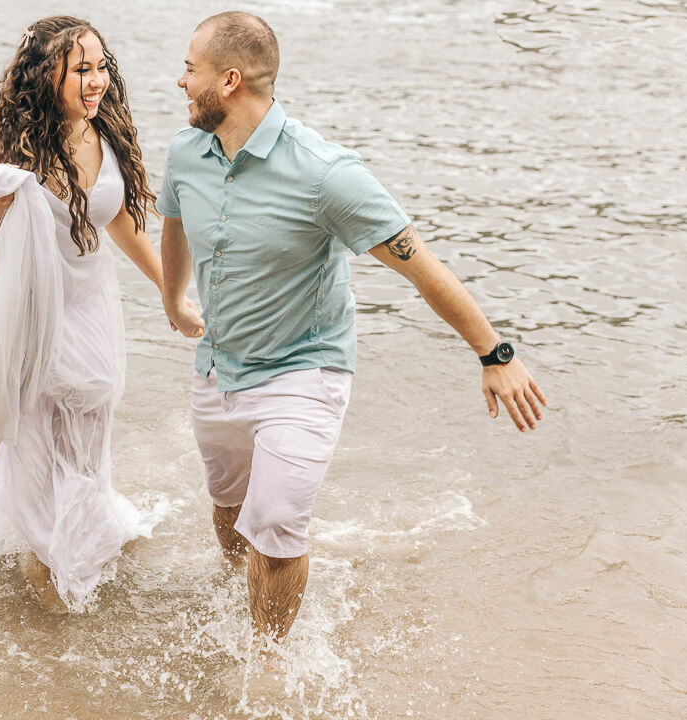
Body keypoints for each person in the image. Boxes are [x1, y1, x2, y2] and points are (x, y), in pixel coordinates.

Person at [159, 12, 548, 646]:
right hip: (219, 365)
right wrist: (174, 299)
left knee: (278, 522)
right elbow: (174, 220)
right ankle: (237, 610)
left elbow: (421, 267)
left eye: (189, 69)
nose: (180, 81)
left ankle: (270, 664)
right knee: (231, 511)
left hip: (304, 368)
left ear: (228, 81)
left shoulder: (326, 175)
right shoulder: (186, 151)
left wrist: (494, 352)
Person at [0, 15, 193, 607]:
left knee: (87, 431)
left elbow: (123, 223)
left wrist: (174, 298)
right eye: (81, 69)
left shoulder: (103, 128)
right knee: (30, 439)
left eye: (101, 66)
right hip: (20, 312)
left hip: (88, 308)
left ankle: (82, 533)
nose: (97, 81)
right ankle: (46, 577)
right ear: (43, 76)